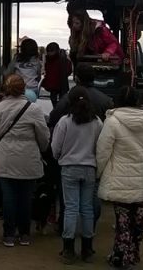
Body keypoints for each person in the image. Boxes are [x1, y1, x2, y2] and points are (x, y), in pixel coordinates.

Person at [96, 86, 143, 269]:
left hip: (119, 179)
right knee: (139, 219)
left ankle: (120, 256)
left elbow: (103, 151)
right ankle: (134, 252)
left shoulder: (112, 122)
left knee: (122, 221)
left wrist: (99, 172)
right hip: (142, 178)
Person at [0, 74, 50, 247]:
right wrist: (41, 149)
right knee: (26, 197)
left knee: (8, 197)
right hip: (28, 158)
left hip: (5, 157)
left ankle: (8, 234)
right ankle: (24, 234)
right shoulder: (34, 109)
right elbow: (44, 136)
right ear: (24, 89)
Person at [51, 86, 103, 264]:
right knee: (87, 208)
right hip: (90, 168)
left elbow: (55, 147)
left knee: (71, 208)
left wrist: (59, 157)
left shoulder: (65, 121)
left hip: (69, 168)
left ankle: (68, 250)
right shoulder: (97, 122)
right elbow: (101, 147)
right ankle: (87, 249)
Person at [42, 42, 72, 107]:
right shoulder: (64, 59)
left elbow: (47, 70)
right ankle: (59, 111)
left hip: (52, 84)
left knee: (53, 98)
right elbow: (69, 70)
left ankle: (55, 109)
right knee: (62, 100)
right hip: (62, 84)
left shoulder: (48, 59)